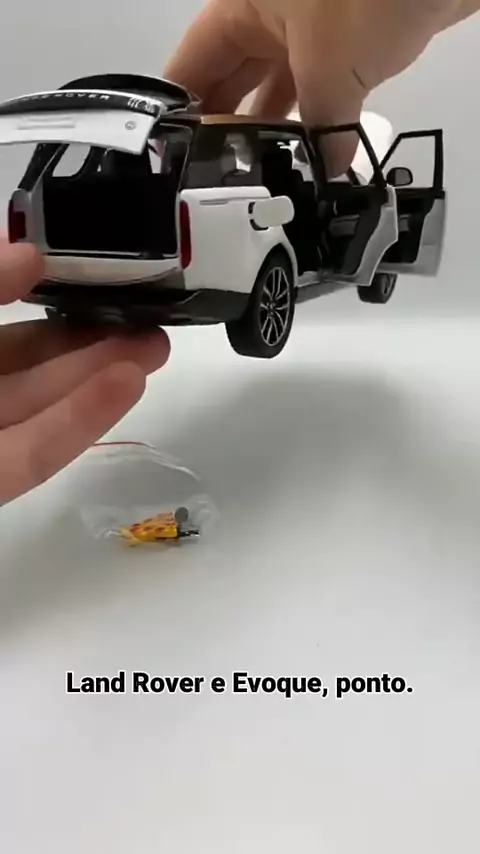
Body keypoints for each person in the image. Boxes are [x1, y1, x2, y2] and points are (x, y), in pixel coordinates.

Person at [1, 0, 478, 505]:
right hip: (174, 261)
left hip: (69, 275)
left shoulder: (95, 190)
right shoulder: (249, 193)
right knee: (269, 253)